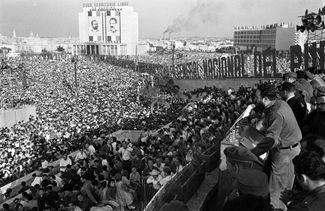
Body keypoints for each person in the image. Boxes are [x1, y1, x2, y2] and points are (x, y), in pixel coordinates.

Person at [251, 83, 302, 210]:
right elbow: (266, 122)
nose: (255, 99)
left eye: (257, 97)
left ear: (265, 99)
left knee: (277, 191)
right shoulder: (279, 103)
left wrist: (251, 154)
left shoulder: (276, 112)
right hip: (286, 149)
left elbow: (270, 140)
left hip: (285, 154)